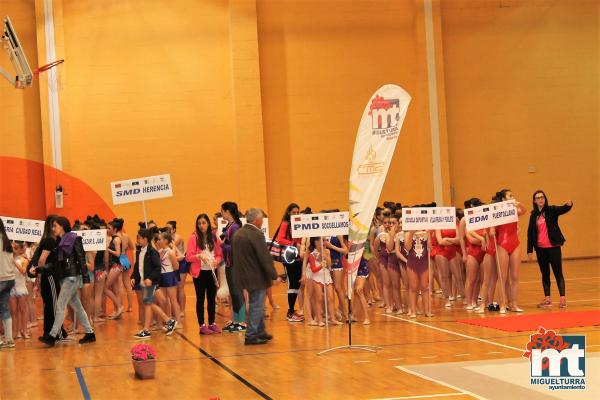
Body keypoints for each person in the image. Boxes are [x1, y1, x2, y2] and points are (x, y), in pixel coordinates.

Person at [37, 216, 96, 346]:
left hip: (71, 277)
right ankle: (90, 333)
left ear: (62, 226)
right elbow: (56, 264)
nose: (53, 229)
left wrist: (86, 279)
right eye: (52, 226)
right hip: (64, 278)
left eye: (55, 226)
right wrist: (39, 269)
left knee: (60, 305)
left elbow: (81, 259)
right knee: (78, 307)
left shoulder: (74, 239)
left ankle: (52, 336)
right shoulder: (59, 241)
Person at [232, 208, 280, 345]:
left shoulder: (238, 233)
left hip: (243, 275)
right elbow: (264, 258)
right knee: (257, 305)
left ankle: (261, 332)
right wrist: (274, 275)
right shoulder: (256, 234)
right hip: (256, 276)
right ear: (256, 220)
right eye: (262, 219)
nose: (263, 222)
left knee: (255, 304)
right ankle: (251, 335)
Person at [526, 191, 573, 308]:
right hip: (540, 249)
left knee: (558, 273)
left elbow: (562, 209)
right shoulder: (533, 215)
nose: (540, 199)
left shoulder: (551, 210)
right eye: (538, 198)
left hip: (553, 248)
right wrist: (529, 250)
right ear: (534, 201)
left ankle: (562, 299)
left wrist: (568, 205)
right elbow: (530, 233)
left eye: (542, 197)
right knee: (545, 274)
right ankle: (548, 299)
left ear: (545, 199)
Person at [131, 229, 177, 339]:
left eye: (139, 238)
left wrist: (151, 279)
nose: (137, 240)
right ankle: (168, 321)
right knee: (149, 303)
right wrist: (133, 277)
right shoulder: (139, 252)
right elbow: (138, 268)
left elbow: (157, 268)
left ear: (145, 239)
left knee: (148, 303)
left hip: (150, 282)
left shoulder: (152, 252)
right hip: (143, 282)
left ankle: (147, 329)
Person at [29, 215, 68, 341]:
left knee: (51, 305)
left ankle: (50, 332)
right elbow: (41, 260)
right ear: (52, 226)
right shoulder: (50, 240)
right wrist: (41, 275)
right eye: (56, 224)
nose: (58, 227)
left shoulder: (50, 240)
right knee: (53, 305)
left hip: (49, 276)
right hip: (50, 276)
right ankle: (56, 333)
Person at [187, 214, 223, 335]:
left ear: (208, 223)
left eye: (204, 223)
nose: (201, 225)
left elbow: (219, 254)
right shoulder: (194, 238)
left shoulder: (214, 237)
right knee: (201, 298)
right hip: (200, 273)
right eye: (199, 223)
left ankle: (212, 323)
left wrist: (216, 261)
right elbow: (188, 257)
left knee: (212, 298)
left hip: (211, 272)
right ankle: (202, 325)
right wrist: (199, 256)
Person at [493, 189, 527, 313]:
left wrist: (517, 203)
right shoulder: (496, 211)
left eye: (513, 195)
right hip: (502, 243)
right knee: (502, 276)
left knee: (515, 276)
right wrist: (491, 231)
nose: (513, 197)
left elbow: (523, 210)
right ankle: (502, 303)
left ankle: (514, 303)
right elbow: (490, 226)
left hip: (515, 243)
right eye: (510, 195)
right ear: (503, 199)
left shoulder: (514, 210)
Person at [274, 203, 304, 323]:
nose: (296, 214)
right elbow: (280, 239)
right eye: (293, 212)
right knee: (292, 283)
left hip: (298, 257)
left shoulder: (298, 224)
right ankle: (290, 312)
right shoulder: (285, 224)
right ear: (288, 213)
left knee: (297, 283)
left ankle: (293, 311)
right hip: (289, 257)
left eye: (298, 212)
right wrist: (294, 244)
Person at [220, 201, 246, 332]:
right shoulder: (229, 225)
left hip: (235, 264)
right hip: (229, 263)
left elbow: (236, 247)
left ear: (227, 211)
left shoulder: (235, 227)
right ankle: (236, 321)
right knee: (233, 293)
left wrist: (222, 244)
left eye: (222, 211)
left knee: (237, 293)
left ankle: (241, 321)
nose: (221, 213)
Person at [155, 231, 181, 328]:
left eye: (159, 239)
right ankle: (167, 319)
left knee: (173, 300)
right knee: (163, 300)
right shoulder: (160, 251)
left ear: (166, 240)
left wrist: (169, 273)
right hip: (161, 277)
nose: (158, 241)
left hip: (169, 276)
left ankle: (178, 322)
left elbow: (176, 266)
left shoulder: (170, 252)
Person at [0, 219, 17, 349]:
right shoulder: (7, 241)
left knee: (4, 308)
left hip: (0, 278)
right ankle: (9, 339)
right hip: (10, 278)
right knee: (4, 308)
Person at [9, 241, 30, 339]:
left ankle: (24, 331)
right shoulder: (8, 259)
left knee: (23, 310)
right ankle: (16, 332)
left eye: (16, 248)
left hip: (21, 287)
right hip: (12, 288)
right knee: (13, 312)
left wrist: (14, 261)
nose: (14, 250)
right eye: (13, 248)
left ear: (20, 249)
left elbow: (23, 271)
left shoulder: (24, 259)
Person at [104, 220, 123, 320]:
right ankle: (117, 310)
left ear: (115, 229)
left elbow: (118, 253)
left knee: (106, 288)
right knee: (115, 289)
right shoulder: (114, 238)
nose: (107, 230)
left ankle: (119, 306)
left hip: (116, 266)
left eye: (109, 228)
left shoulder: (116, 239)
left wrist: (108, 249)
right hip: (114, 265)